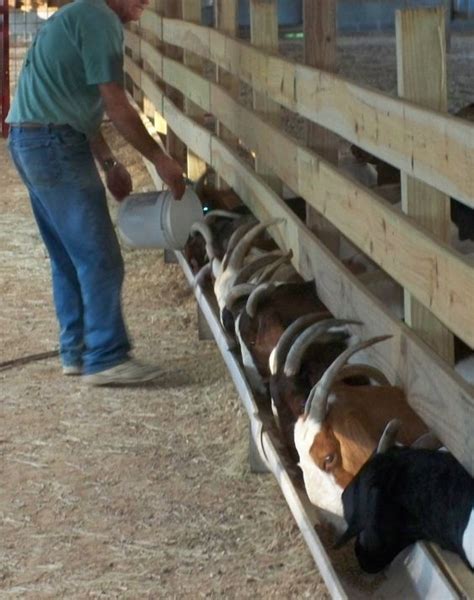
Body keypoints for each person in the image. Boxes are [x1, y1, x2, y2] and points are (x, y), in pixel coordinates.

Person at [6, 0, 186, 385]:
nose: (146, 3)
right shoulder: (101, 19)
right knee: (99, 255)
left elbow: (74, 100)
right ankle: (105, 357)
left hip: (30, 138)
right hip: (53, 142)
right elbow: (115, 104)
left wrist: (108, 163)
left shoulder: (80, 15)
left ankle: (77, 350)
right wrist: (158, 158)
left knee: (69, 255)